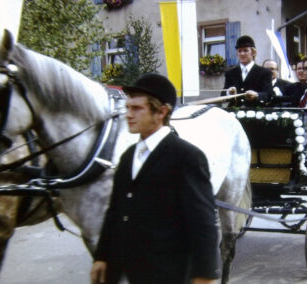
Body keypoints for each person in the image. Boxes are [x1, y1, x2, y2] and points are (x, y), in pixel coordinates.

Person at [90, 73, 220, 284]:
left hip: (169, 273)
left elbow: (202, 223)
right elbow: (115, 211)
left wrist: (204, 275)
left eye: (136, 108)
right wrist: (102, 256)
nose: (128, 115)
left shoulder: (187, 157)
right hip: (129, 270)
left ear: (161, 112)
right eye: (127, 108)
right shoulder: (128, 155)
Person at [221, 35, 274, 107]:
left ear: (253, 53)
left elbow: (269, 94)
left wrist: (257, 95)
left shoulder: (264, 72)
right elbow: (223, 95)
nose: (242, 54)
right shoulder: (230, 73)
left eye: (245, 50)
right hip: (234, 111)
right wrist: (228, 92)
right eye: (239, 51)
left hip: (256, 111)